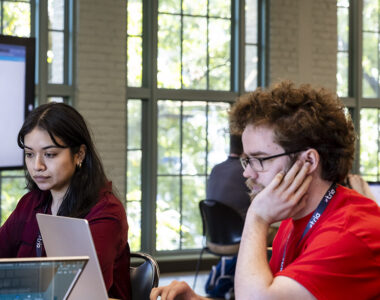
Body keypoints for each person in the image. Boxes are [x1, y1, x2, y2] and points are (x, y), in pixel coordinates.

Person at [151, 81, 380, 300]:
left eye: (259, 160)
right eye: (246, 160)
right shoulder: (293, 221)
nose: (247, 173)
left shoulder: (350, 232)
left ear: (308, 161)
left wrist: (257, 217)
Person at [0, 102, 131, 300]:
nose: (37, 166)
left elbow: (80, 293)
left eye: (49, 154)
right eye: (29, 154)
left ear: (79, 154)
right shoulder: (31, 203)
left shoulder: (105, 212)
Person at [206, 134, 249, 217]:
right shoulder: (246, 171)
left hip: (213, 226)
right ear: (245, 147)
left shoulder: (215, 169)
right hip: (240, 227)